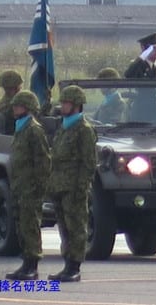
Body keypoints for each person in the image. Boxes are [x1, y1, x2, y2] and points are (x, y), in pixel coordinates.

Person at [48, 85, 97, 282]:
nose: (63, 106)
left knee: (76, 226)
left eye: (66, 103)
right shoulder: (64, 126)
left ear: (76, 106)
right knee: (64, 226)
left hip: (74, 187)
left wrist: (82, 187)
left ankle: (74, 265)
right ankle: (67, 262)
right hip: (60, 185)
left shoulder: (83, 130)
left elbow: (88, 163)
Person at [6, 91, 52, 281]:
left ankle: (32, 265)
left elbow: (43, 161)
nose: (15, 109)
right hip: (19, 186)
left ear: (28, 108)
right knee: (21, 225)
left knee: (30, 225)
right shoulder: (21, 128)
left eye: (19, 106)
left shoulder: (34, 130)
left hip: (30, 188)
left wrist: (38, 189)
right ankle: (25, 262)